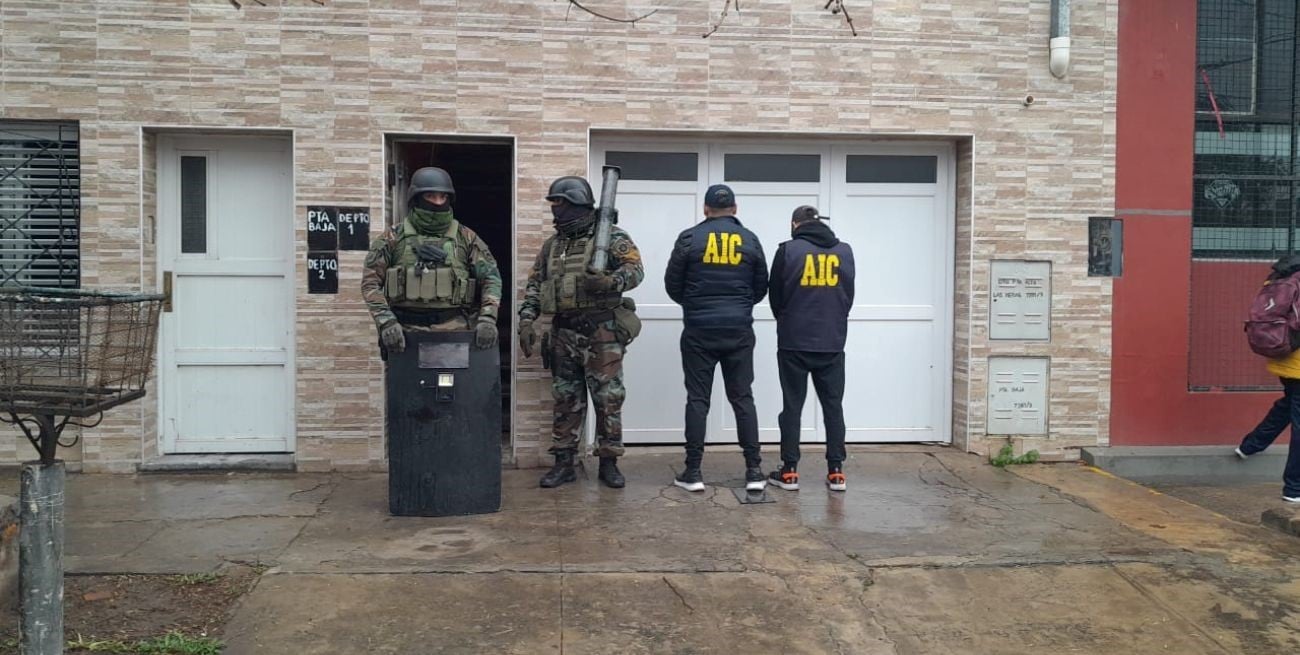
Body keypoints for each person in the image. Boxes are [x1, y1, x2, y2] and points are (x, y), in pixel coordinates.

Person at [518, 176, 645, 489]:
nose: (555, 209)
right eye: (553, 203)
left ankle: (609, 463)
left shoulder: (610, 237)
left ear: (576, 203)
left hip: (601, 332)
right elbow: (536, 285)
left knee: (608, 399)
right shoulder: (552, 246)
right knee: (565, 399)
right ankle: (564, 464)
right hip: (563, 332)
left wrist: (609, 282)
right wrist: (527, 320)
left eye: (559, 202)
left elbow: (635, 271)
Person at [664, 184, 768, 493]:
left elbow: (673, 285)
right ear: (735, 209)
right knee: (743, 398)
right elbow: (761, 286)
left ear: (706, 209)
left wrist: (695, 305)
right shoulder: (750, 240)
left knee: (698, 399)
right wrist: (739, 306)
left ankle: (693, 471)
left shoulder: (689, 238)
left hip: (699, 330)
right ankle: (754, 470)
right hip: (738, 330)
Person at [362, 167, 502, 355]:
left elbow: (491, 279)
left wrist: (488, 318)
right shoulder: (392, 238)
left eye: (443, 197)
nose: (437, 203)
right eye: (430, 196)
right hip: (405, 334)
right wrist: (386, 321)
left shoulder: (466, 238)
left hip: (455, 332)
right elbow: (370, 283)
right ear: (416, 199)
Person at [766, 206, 855, 492]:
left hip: (793, 341)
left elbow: (775, 296)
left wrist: (787, 320)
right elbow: (848, 295)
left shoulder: (787, 251)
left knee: (792, 406)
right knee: (833, 407)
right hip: (831, 341)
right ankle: (836, 472)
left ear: (795, 224)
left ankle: (789, 471)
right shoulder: (844, 251)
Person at [1236, 253, 1300, 504]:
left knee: (1288, 406)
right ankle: (1294, 488)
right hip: (1297, 362)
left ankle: (1250, 445)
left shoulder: (1281, 275)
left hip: (1282, 355)